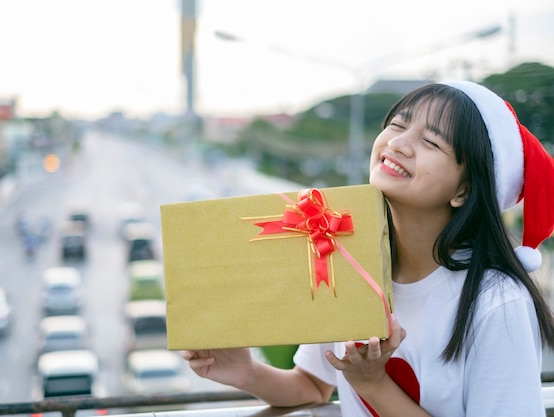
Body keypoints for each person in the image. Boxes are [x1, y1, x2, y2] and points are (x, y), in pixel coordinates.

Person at [182, 80, 554, 416]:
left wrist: (373, 384)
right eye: (398, 124)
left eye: (431, 141)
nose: (397, 143)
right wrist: (245, 372)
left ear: (465, 190)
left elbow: (357, 385)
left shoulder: (498, 302)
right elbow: (313, 385)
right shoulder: (343, 262)